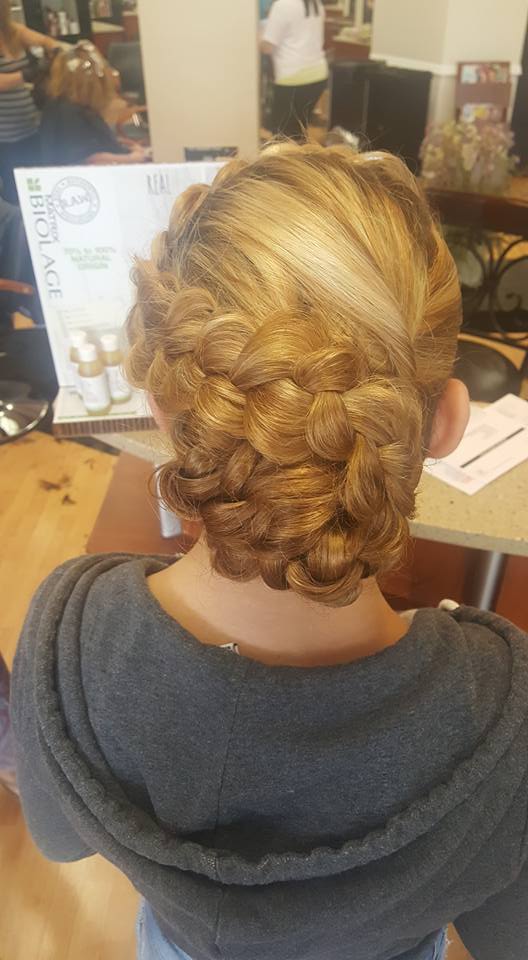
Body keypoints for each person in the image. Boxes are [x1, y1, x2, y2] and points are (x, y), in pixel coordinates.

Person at [10, 143, 528, 960]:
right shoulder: (499, 712)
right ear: (446, 423)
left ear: (164, 413)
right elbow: (510, 937)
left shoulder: (72, 634)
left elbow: (57, 837)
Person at [40, 41, 147, 165]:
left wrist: (122, 145)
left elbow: (91, 143)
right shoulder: (70, 115)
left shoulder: (60, 105)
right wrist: (133, 158)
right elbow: (91, 158)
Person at [0, 0, 58, 203]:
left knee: (36, 181)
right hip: (4, 135)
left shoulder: (12, 31)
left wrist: (53, 50)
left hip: (29, 124)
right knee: (14, 188)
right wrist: (26, 74)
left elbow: (46, 41)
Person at [261, 0, 328, 139]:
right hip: (318, 75)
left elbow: (267, 47)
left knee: (282, 135)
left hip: (293, 77)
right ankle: (299, 159)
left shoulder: (283, 5)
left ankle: (288, 160)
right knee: (298, 131)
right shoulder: (315, 4)